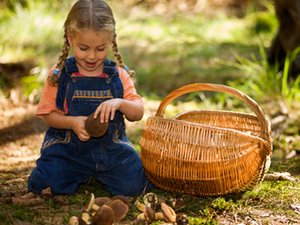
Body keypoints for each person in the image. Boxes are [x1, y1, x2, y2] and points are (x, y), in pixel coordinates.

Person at [28, 0, 153, 196]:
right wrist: (71, 122)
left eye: (100, 49)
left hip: (112, 152)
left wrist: (119, 103)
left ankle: (104, 174)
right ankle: (72, 173)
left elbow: (138, 113)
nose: (92, 56)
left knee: (136, 187)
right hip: (68, 152)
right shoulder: (60, 75)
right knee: (47, 184)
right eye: (84, 48)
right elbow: (48, 116)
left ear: (110, 41)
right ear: (70, 39)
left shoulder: (119, 75)